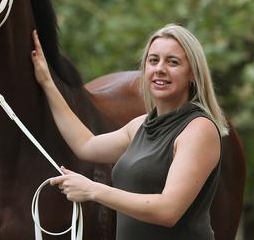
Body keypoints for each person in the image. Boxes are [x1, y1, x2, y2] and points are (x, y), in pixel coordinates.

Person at [30, 24, 229, 239]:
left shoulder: (199, 129)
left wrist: (93, 190)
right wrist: (47, 83)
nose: (160, 68)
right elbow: (85, 145)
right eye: (153, 60)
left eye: (173, 62)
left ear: (192, 73)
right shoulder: (140, 126)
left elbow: (168, 210)